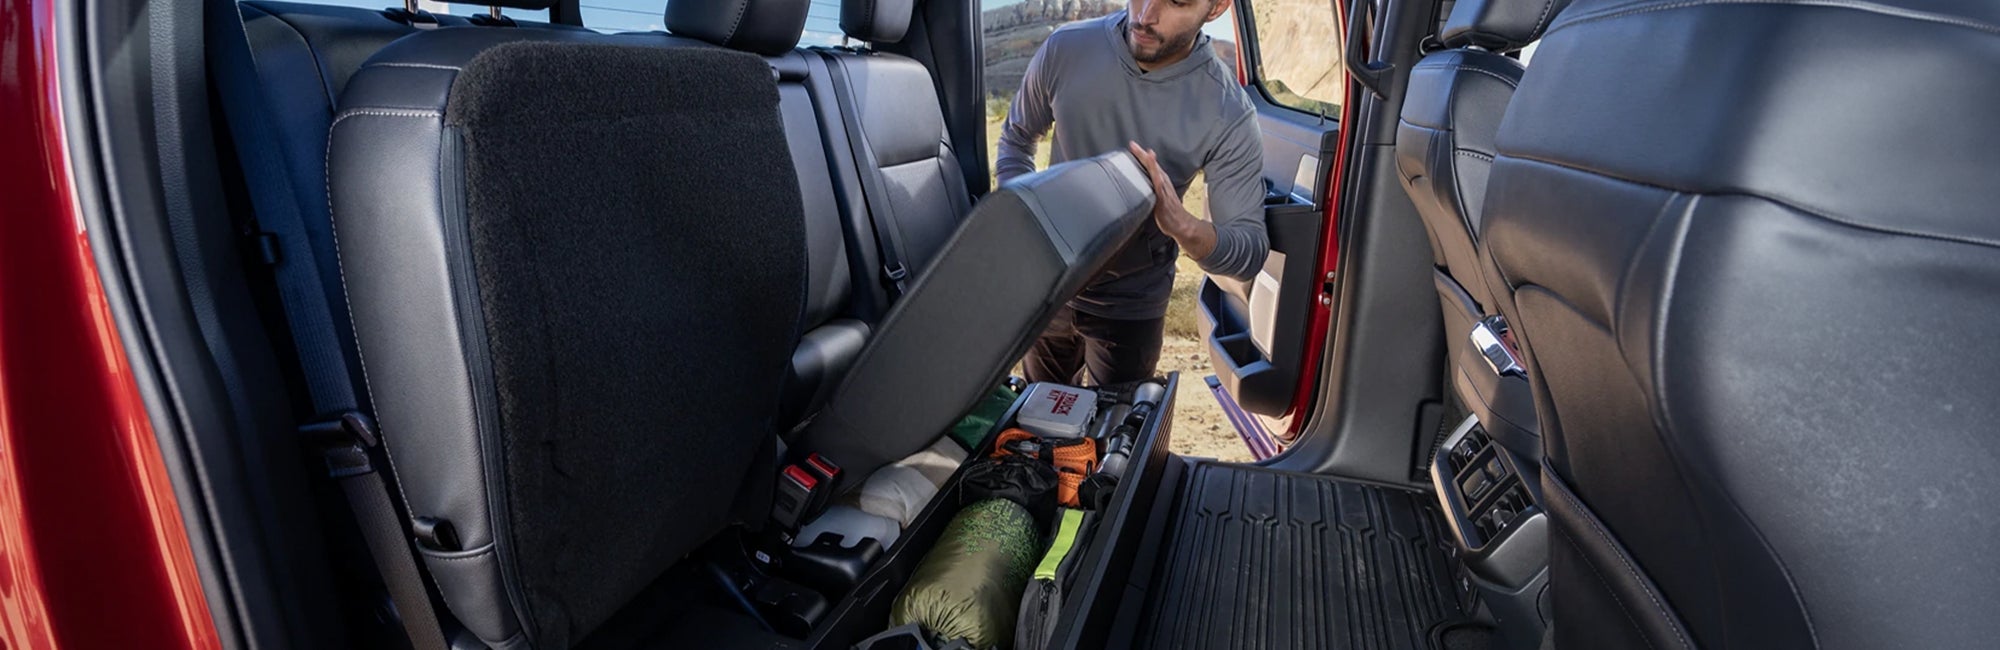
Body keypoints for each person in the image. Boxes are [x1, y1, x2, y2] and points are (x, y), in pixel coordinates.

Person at [997, 0, 1267, 387]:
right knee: (1040, 424)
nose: (1144, 15)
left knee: (1116, 436)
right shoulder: (1065, 47)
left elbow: (1249, 251)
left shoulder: (1228, 111)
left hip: (1132, 302)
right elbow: (1017, 138)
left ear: (1216, 8)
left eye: (1176, 2)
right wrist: (1024, 219)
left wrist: (1183, 226)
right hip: (1049, 286)